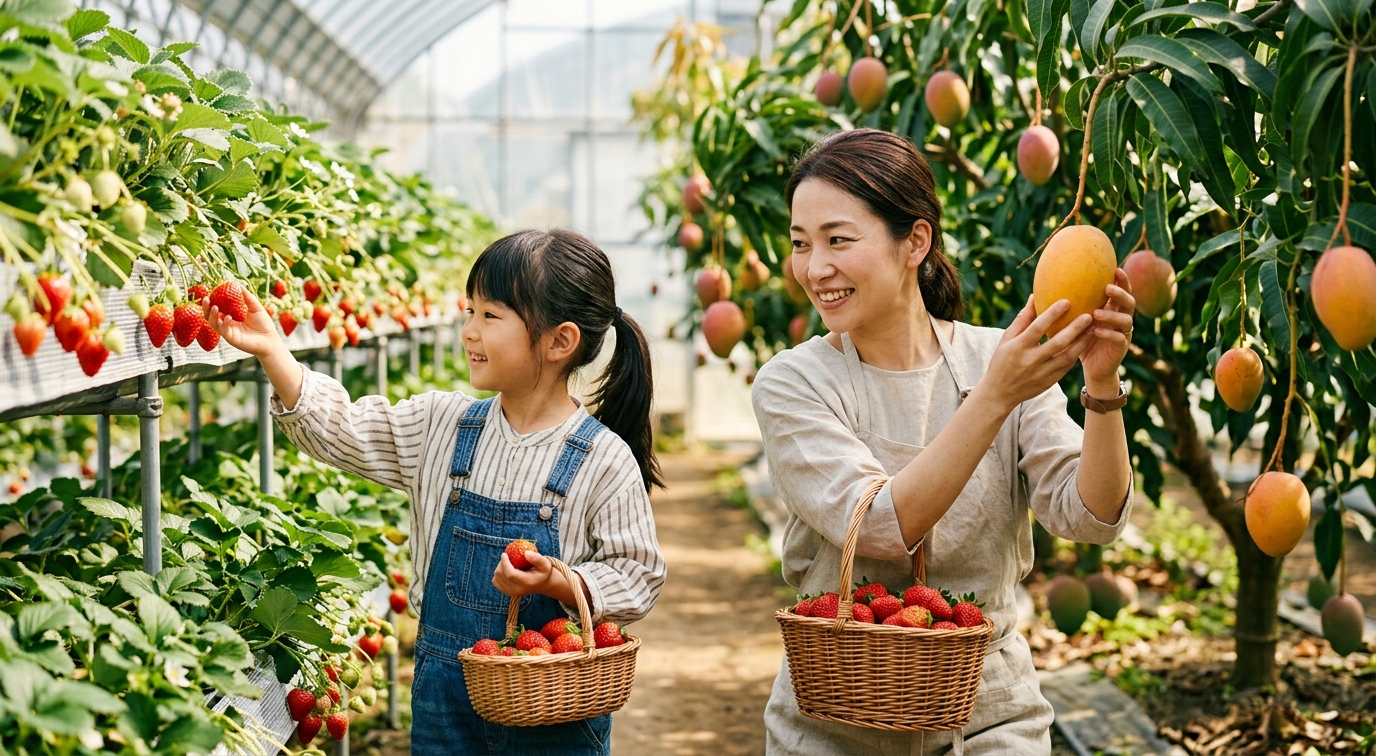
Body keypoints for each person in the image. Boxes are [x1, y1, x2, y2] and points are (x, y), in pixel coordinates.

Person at [206, 229, 667, 755]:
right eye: (469, 311)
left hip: (552, 706)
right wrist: (274, 352)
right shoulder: (442, 426)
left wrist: (563, 582)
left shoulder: (602, 459)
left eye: (490, 316)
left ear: (559, 342)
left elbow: (638, 573)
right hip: (445, 700)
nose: (468, 330)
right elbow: (341, 429)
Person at [752, 129, 1136, 755]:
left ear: (916, 241)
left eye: (838, 240)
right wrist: (995, 396)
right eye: (801, 244)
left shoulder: (999, 360)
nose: (814, 268)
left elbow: (1091, 516)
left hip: (990, 717)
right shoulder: (794, 382)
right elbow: (877, 525)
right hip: (836, 722)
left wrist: (1101, 380)